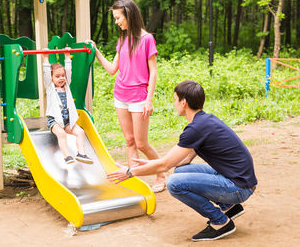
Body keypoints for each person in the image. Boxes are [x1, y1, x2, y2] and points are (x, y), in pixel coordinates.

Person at [107, 80, 258, 241]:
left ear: (184, 102)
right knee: (180, 171)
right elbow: (178, 161)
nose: (174, 104)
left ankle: (220, 222)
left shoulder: (196, 128)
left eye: (175, 99)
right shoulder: (204, 120)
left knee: (174, 183)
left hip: (238, 187)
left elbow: (165, 165)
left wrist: (130, 172)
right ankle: (229, 207)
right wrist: (152, 164)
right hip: (239, 179)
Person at [87, 0, 166, 192]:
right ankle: (131, 179)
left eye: (118, 18)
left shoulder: (147, 39)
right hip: (120, 96)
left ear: (129, 15)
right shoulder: (122, 40)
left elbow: (153, 71)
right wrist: (96, 51)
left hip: (139, 98)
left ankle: (161, 174)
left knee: (142, 143)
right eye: (114, 18)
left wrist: (149, 99)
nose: (116, 22)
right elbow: (113, 69)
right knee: (130, 142)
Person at [43, 49, 93, 165]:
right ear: (52, 78)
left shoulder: (67, 86)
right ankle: (67, 156)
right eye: (57, 76)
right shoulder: (50, 87)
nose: (61, 78)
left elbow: (68, 71)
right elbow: (46, 72)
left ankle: (81, 153)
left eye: (62, 76)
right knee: (61, 134)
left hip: (67, 120)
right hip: (54, 120)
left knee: (80, 132)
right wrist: (45, 57)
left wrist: (67, 56)